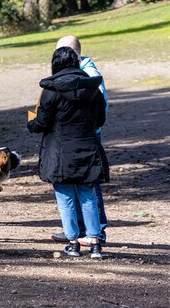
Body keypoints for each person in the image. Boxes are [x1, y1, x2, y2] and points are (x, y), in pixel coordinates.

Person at [28, 47, 109, 258]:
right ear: (76, 62)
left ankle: (72, 243)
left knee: (65, 198)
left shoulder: (50, 91)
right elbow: (100, 120)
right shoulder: (94, 89)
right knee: (89, 196)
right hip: (87, 149)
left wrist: (30, 119)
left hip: (59, 153)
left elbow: (40, 123)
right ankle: (95, 244)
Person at [50, 35, 109, 246]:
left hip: (86, 135)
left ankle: (97, 231)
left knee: (88, 187)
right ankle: (77, 230)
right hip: (79, 134)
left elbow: (101, 109)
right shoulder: (81, 74)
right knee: (78, 186)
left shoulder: (91, 76)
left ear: (71, 55)